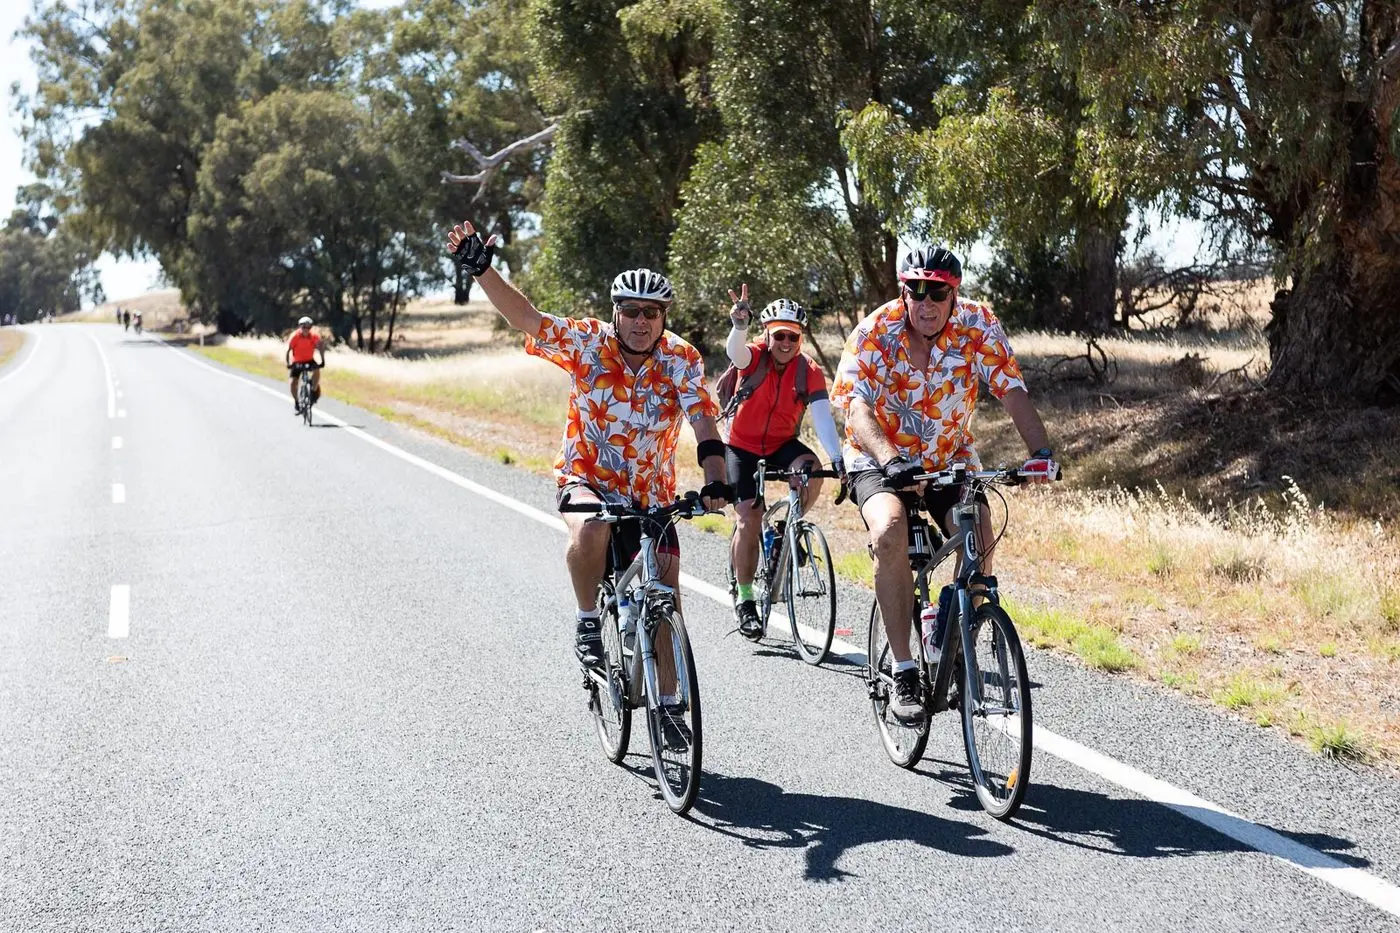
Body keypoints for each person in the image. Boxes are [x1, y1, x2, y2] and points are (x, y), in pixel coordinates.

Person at [445, 220, 732, 675]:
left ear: (664, 317)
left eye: (652, 312)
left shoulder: (682, 358)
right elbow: (528, 319)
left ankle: (672, 703)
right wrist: (482, 270)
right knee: (592, 528)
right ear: (615, 312)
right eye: (631, 310)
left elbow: (703, 421)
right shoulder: (588, 342)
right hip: (586, 478)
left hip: (649, 494)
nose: (641, 321)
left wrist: (717, 481)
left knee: (666, 595)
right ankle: (587, 620)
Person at [831, 245, 1058, 724]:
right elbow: (856, 408)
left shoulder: (978, 324)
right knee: (889, 531)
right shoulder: (875, 331)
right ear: (903, 292)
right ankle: (904, 670)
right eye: (916, 291)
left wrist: (1041, 453)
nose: (926, 302)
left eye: (938, 292)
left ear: (954, 294)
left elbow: (1010, 389)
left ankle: (953, 632)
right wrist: (891, 460)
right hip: (878, 457)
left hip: (947, 459)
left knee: (980, 530)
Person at [722, 285, 844, 638]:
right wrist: (739, 326)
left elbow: (822, 418)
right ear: (767, 335)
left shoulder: (809, 370)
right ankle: (746, 598)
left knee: (812, 471)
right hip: (741, 446)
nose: (786, 343)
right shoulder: (754, 356)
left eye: (793, 336)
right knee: (749, 518)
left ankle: (785, 529)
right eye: (779, 336)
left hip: (781, 444)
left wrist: (837, 459)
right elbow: (735, 353)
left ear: (801, 338)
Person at [285, 316, 325, 413]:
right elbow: (288, 350)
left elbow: (320, 347)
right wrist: (288, 363)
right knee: (293, 383)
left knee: (317, 370)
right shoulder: (295, 336)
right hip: (297, 361)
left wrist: (322, 360)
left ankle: (313, 391)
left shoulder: (314, 336)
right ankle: (297, 402)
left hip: (309, 360)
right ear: (300, 327)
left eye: (308, 327)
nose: (306, 329)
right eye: (304, 327)